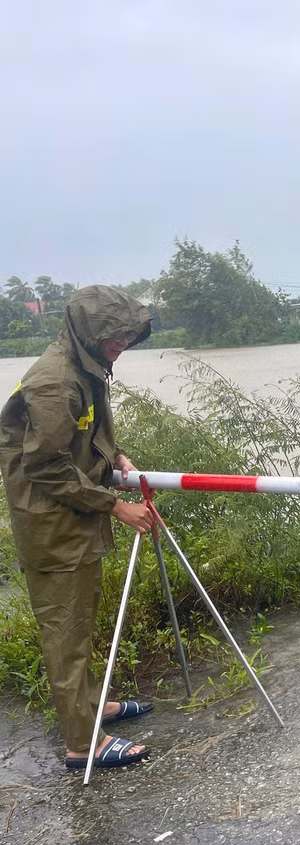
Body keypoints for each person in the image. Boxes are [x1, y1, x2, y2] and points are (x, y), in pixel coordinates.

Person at [0, 285, 157, 770]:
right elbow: (46, 466)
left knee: (80, 620)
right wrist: (115, 505)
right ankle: (83, 742)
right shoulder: (55, 382)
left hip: (72, 513)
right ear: (90, 332)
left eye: (128, 337)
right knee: (65, 634)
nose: (121, 346)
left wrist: (116, 456)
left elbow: (86, 432)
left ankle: (93, 707)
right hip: (52, 522)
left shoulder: (84, 368)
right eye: (114, 337)